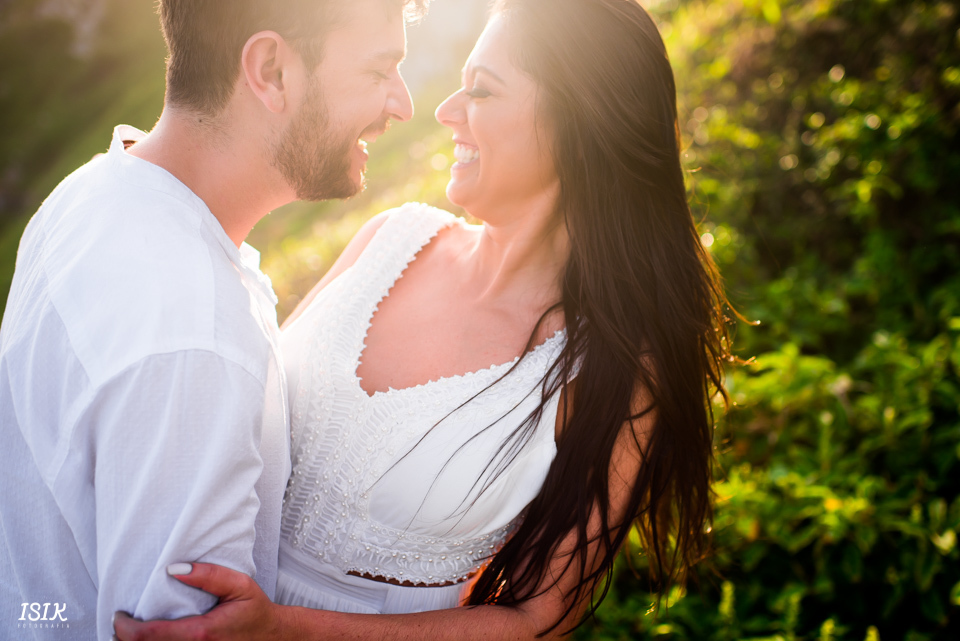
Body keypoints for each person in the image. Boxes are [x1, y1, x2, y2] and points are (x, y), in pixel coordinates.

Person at [114, 0, 731, 638]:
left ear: (581, 120)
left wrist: (278, 628)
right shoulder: (391, 238)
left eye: (482, 90)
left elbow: (537, 618)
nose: (444, 111)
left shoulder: (616, 363)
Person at [0, 0, 420, 638]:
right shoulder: (196, 339)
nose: (403, 104)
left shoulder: (91, 194)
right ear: (271, 70)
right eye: (378, 70)